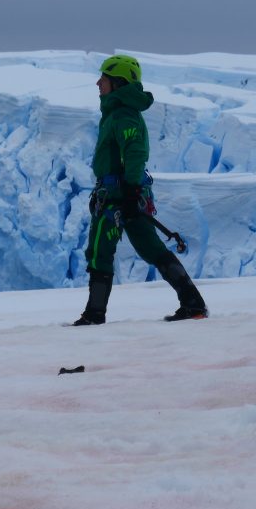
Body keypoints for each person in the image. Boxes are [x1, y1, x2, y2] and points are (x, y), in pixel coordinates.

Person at [74, 54, 208, 325]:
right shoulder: (117, 113)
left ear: (119, 83)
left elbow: (134, 152)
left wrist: (131, 191)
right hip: (125, 193)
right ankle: (193, 303)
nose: (99, 83)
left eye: (105, 78)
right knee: (151, 248)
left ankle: (94, 314)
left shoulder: (123, 115)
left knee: (100, 250)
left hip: (119, 196)